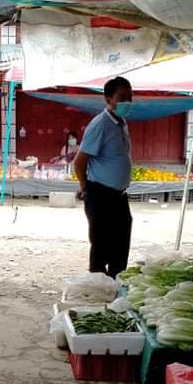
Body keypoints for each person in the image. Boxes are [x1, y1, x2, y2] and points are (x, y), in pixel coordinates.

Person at [73, 77, 133, 278]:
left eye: (130, 96)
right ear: (108, 99)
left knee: (121, 243)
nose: (127, 101)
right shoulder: (100, 124)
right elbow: (79, 162)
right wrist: (84, 187)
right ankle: (98, 287)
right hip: (100, 194)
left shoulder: (121, 123)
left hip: (119, 195)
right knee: (101, 245)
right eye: (122, 97)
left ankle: (115, 283)